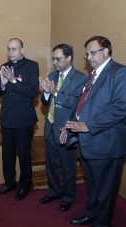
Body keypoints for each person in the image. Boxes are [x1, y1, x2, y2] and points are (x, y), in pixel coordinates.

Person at [62, 36, 126, 227]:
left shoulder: (120, 72)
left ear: (106, 52)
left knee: (105, 187)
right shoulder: (92, 76)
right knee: (93, 184)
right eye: (87, 53)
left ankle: (103, 224)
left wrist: (87, 125)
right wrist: (69, 126)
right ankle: (91, 214)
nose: (89, 57)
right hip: (88, 141)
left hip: (108, 142)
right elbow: (82, 105)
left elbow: (121, 107)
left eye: (93, 53)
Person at [39, 43, 87, 212]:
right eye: (53, 59)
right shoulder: (52, 75)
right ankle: (54, 191)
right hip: (50, 125)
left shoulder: (81, 78)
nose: (55, 62)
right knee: (51, 163)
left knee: (68, 166)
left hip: (65, 129)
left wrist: (54, 93)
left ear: (69, 58)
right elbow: (45, 103)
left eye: (58, 59)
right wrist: (45, 92)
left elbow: (75, 104)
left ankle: (68, 197)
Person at [0, 38, 39, 201]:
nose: (10, 52)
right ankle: (9, 182)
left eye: (14, 49)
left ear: (22, 51)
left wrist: (13, 81)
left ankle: (25, 184)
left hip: (24, 119)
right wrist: (3, 84)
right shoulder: (3, 67)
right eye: (9, 49)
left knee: (24, 154)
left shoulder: (32, 66)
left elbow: (33, 92)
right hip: (6, 118)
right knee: (7, 154)